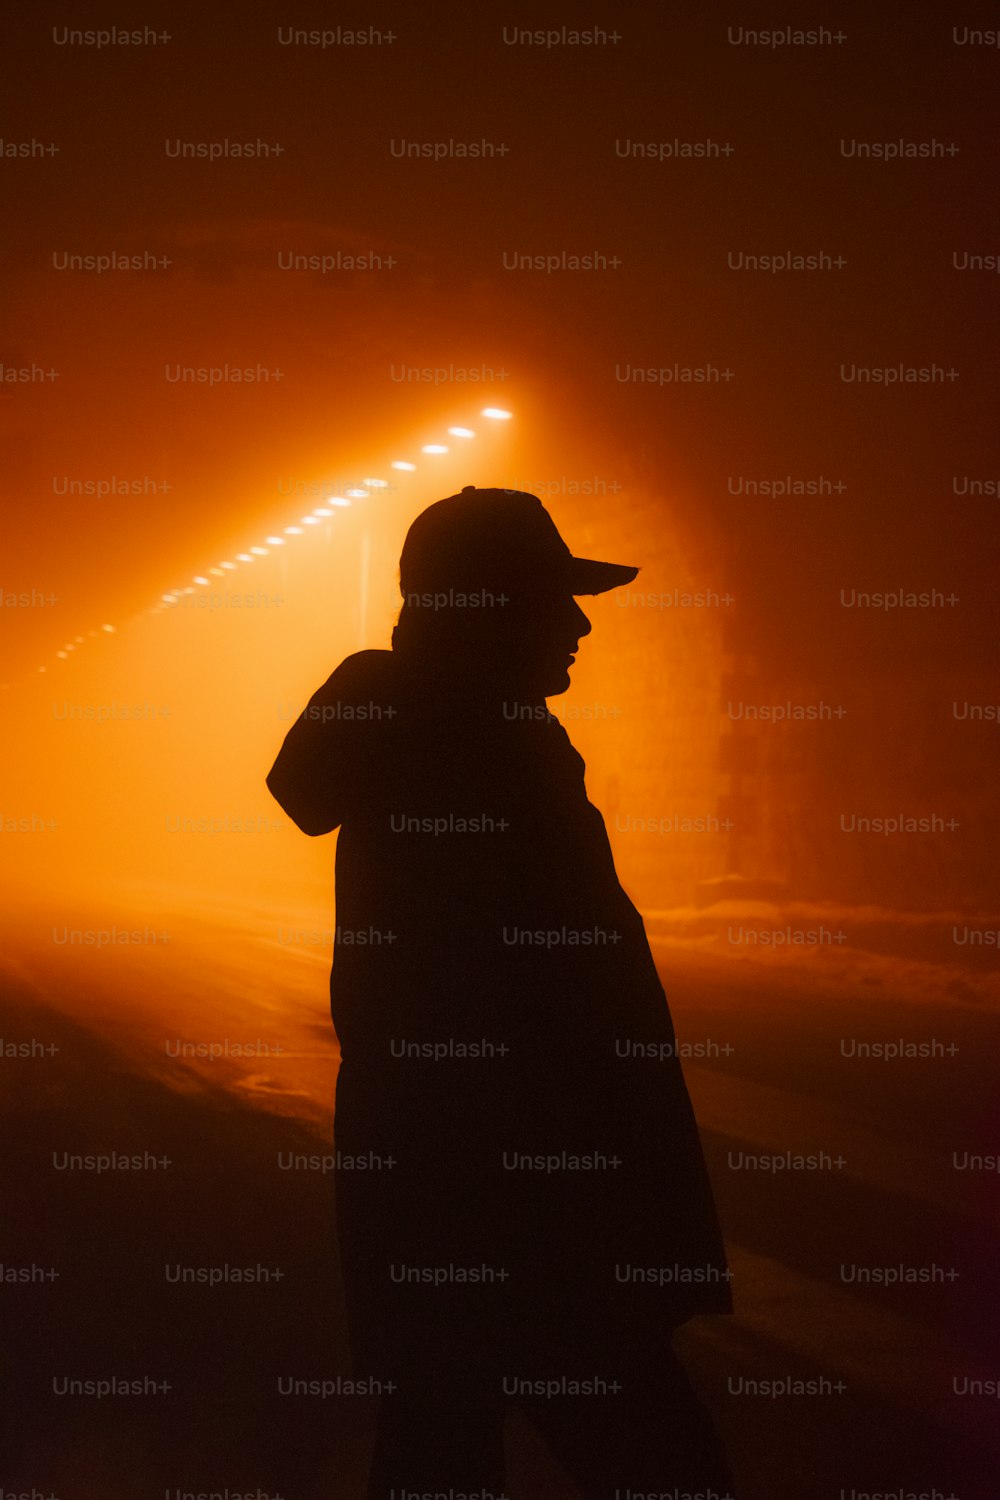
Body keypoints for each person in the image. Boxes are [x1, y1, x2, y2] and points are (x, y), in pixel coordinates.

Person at [267, 486, 736, 1498]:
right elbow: (545, 1007)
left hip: (454, 1203)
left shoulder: (445, 731)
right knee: (654, 1458)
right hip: (532, 1213)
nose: (577, 623)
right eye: (548, 598)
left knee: (440, 1447)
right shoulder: (468, 745)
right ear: (481, 609)